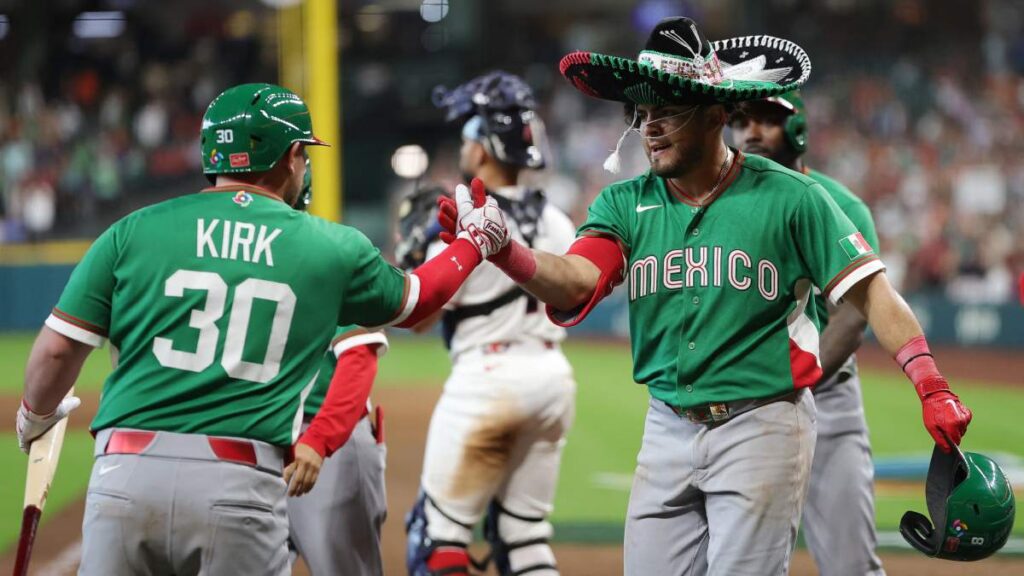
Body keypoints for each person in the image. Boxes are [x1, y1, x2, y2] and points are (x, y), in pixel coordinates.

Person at [440, 17, 973, 575]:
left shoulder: (792, 197)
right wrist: (507, 253)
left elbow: (873, 294)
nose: (650, 126)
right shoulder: (624, 204)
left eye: (667, 110)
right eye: (642, 113)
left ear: (717, 114)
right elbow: (576, 278)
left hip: (762, 424)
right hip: (667, 424)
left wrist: (930, 384)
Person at [15, 83, 511, 576]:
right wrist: (474, 242)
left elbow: (57, 352)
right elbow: (421, 299)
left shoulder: (132, 230)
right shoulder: (330, 247)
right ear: (292, 154)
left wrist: (35, 418)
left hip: (124, 474)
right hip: (239, 483)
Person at [400, 71, 577, 576]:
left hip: (486, 380)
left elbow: (419, 317)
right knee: (525, 540)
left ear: (481, 151)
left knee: (440, 539)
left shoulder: (462, 225)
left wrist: (415, 260)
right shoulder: (558, 221)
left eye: (467, 139)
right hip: (552, 377)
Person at [729, 91, 886, 576]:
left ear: (798, 129)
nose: (750, 133)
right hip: (737, 405)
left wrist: (790, 386)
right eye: (740, 121)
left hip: (825, 398)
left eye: (766, 121)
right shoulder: (720, 205)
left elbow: (854, 317)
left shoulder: (843, 206)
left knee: (850, 565)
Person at [286, 164, 389, 576]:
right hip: (254, 444)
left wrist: (320, 439)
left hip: (326, 446)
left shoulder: (327, 252)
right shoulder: (232, 256)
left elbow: (359, 357)